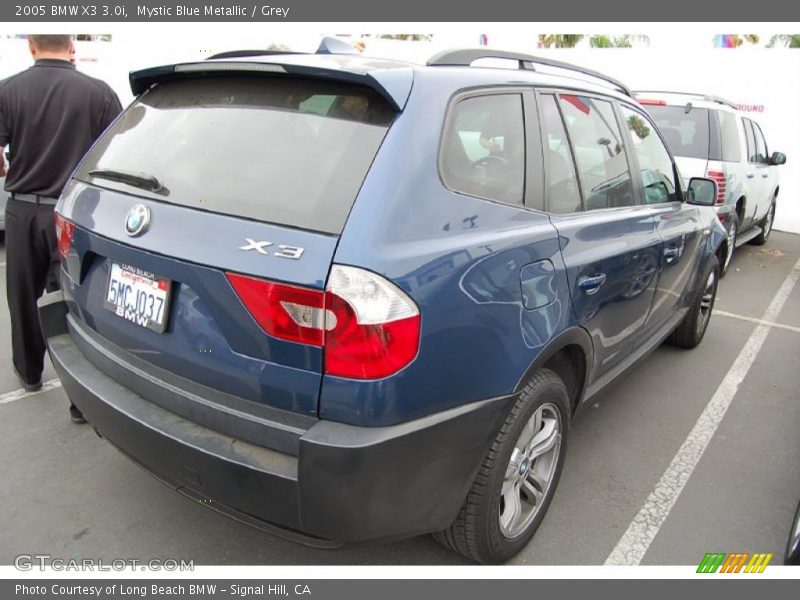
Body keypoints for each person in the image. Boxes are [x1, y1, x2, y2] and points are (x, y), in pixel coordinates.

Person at [0, 34, 122, 423]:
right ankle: (78, 401)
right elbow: (115, 156)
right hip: (75, 212)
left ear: (31, 47)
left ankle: (30, 374)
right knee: (71, 302)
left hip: (23, 210)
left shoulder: (8, 90)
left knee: (23, 296)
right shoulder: (100, 93)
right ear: (72, 47)